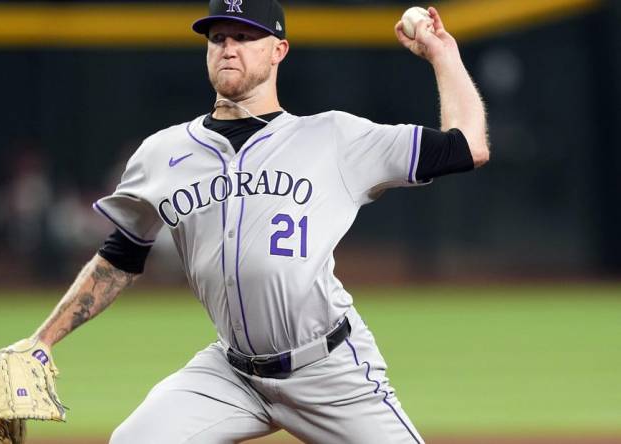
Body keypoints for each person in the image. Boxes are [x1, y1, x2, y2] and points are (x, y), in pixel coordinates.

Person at [28, 1, 489, 442]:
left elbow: (468, 146)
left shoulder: (333, 138)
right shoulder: (162, 154)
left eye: (246, 36)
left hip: (328, 369)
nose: (229, 47)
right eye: (219, 37)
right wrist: (43, 340)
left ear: (278, 50)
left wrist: (442, 54)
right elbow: (120, 257)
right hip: (232, 373)